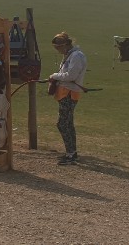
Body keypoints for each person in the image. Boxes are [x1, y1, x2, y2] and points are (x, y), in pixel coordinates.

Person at [49, 32, 87, 166]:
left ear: (64, 45)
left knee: (63, 124)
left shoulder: (76, 56)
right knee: (68, 123)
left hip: (69, 93)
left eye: (58, 48)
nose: (57, 51)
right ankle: (72, 152)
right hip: (65, 92)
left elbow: (71, 76)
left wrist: (54, 76)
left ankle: (70, 154)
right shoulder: (70, 55)